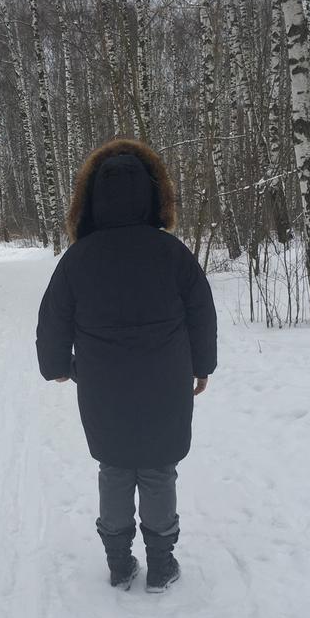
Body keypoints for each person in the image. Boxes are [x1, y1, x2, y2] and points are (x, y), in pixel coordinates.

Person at [36, 138, 217, 592]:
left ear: (90, 200)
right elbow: (201, 311)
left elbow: (54, 316)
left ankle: (119, 564)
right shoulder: (171, 252)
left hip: (102, 388)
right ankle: (161, 564)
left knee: (115, 469)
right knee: (158, 469)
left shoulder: (78, 258)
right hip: (166, 385)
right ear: (154, 195)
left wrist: (55, 365)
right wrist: (203, 365)